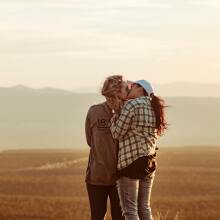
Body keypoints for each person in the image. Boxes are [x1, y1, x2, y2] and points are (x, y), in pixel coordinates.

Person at [110, 79, 168, 220]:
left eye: (132, 86)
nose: (129, 88)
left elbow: (117, 133)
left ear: (141, 89)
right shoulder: (154, 107)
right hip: (150, 161)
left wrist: (114, 117)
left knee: (130, 210)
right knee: (144, 208)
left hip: (131, 162)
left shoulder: (132, 105)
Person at [85, 75, 128, 220]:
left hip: (121, 178)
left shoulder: (129, 113)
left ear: (121, 95)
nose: (110, 99)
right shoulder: (94, 111)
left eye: (113, 95)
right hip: (96, 177)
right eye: (107, 95)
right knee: (97, 216)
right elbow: (90, 140)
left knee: (120, 217)